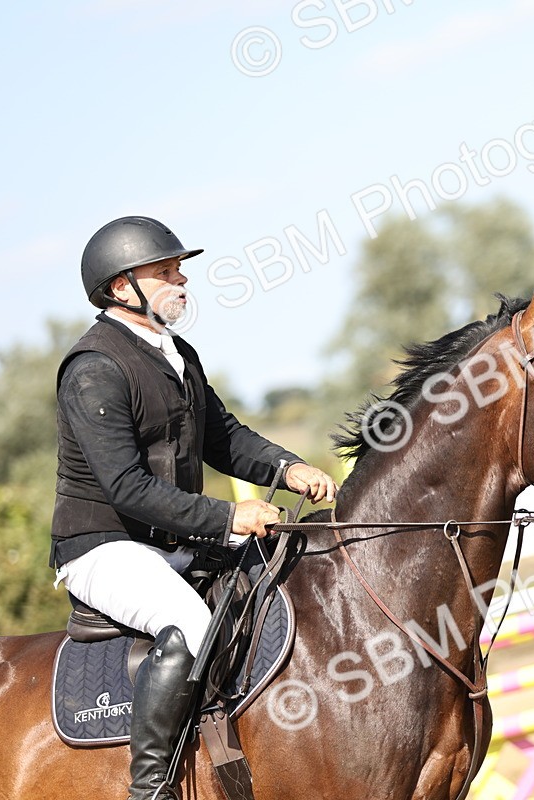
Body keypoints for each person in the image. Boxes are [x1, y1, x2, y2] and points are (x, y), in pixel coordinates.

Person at [52, 215, 336, 800]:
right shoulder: (93, 369)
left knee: (291, 559)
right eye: (166, 271)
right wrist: (229, 517)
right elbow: (127, 489)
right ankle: (150, 787)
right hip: (101, 545)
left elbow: (224, 438)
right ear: (119, 288)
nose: (182, 279)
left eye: (178, 268)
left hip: (168, 536)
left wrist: (288, 468)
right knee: (189, 624)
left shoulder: (175, 352)